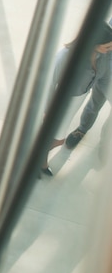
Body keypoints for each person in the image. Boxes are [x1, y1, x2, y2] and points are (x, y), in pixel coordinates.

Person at [42, 21, 112, 175]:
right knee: (58, 138)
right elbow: (48, 82)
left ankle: (39, 158)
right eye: (107, 46)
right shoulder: (66, 56)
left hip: (77, 99)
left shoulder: (102, 57)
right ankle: (39, 159)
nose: (110, 49)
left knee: (54, 135)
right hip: (60, 102)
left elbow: (105, 79)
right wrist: (48, 110)